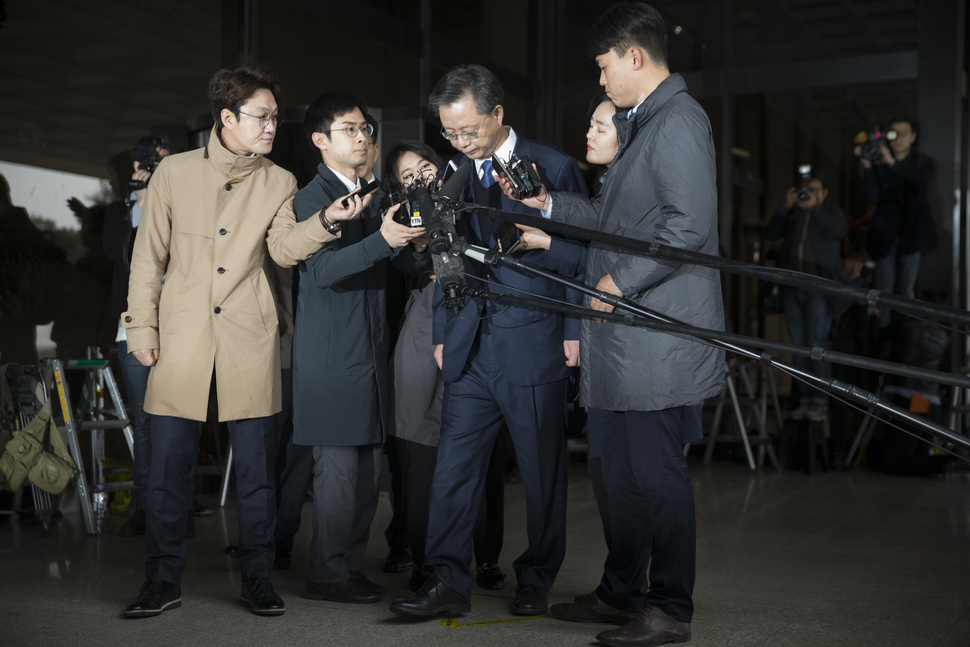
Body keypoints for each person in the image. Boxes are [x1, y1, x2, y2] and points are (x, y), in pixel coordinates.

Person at [503, 4, 724, 645]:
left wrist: (620, 283)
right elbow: (614, 218)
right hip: (624, 339)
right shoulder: (645, 125)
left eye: (604, 68)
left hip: (653, 333)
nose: (601, 82)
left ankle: (671, 608)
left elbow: (688, 225)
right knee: (617, 476)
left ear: (633, 56)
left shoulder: (678, 121)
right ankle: (622, 591)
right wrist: (547, 204)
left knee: (655, 475)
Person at [122, 63, 365, 619]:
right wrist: (142, 328)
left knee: (258, 474)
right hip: (181, 337)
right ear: (226, 117)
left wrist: (326, 219)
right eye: (260, 117)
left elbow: (281, 250)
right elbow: (147, 258)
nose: (270, 127)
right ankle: (161, 581)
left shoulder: (279, 181)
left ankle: (258, 577)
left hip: (249, 339)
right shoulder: (174, 174)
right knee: (167, 474)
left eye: (275, 118)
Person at [389, 63, 587, 619]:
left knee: (542, 472)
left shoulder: (554, 167)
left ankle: (536, 577)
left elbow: (582, 257)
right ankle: (446, 581)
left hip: (533, 340)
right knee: (454, 469)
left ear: (498, 115)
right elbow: (448, 259)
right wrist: (449, 333)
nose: (458, 142)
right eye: (449, 133)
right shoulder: (454, 173)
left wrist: (574, 330)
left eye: (468, 130)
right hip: (470, 345)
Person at [291, 92, 427, 605]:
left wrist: (411, 245)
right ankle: (327, 573)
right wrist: (384, 240)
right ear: (321, 141)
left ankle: (347, 566)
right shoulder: (311, 198)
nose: (364, 136)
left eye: (366, 127)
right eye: (350, 129)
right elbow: (321, 271)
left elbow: (392, 267)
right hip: (331, 358)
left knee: (369, 474)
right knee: (339, 475)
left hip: (371, 352)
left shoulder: (371, 194)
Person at [382, 140, 508, 593]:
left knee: (479, 444)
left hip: (477, 316)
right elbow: (406, 259)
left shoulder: (475, 190)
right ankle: (424, 559)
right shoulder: (398, 220)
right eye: (407, 176)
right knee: (419, 448)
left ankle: (487, 556)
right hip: (422, 324)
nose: (419, 178)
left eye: (424, 167)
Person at [102, 136, 174, 538]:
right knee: (144, 424)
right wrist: (140, 203)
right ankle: (147, 511)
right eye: (147, 164)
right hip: (132, 329)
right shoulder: (120, 211)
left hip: (179, 327)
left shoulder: (182, 207)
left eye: (161, 163)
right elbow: (116, 250)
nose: (152, 170)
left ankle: (176, 509)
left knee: (178, 421)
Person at [765, 170, 847, 422]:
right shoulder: (794, 215)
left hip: (819, 289)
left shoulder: (831, 214)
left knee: (816, 345)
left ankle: (820, 401)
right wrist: (787, 206)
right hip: (791, 287)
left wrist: (815, 207)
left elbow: (839, 231)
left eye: (813, 191)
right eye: (805, 190)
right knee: (798, 348)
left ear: (823, 194)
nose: (807, 195)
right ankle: (805, 399)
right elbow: (771, 233)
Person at [857, 117, 936, 337]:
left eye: (903, 134)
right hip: (885, 240)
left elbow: (919, 184)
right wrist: (866, 167)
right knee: (884, 296)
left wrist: (892, 163)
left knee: (904, 297)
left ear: (912, 137)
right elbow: (873, 195)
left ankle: (902, 348)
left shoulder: (922, 163)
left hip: (912, 239)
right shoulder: (880, 166)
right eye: (893, 134)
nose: (898, 139)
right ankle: (885, 348)